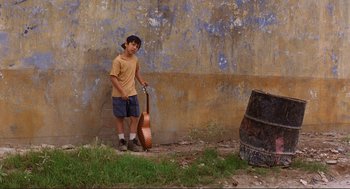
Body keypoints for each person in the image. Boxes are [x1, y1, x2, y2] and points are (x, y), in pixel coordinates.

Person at [110, 35, 148, 152]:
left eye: (137, 46)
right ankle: (122, 141)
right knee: (120, 118)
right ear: (126, 44)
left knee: (135, 117)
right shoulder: (118, 60)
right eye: (132, 44)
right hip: (119, 95)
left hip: (132, 93)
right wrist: (122, 92)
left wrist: (142, 82)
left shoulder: (135, 59)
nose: (134, 48)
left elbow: (136, 72)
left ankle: (132, 141)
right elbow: (113, 77)